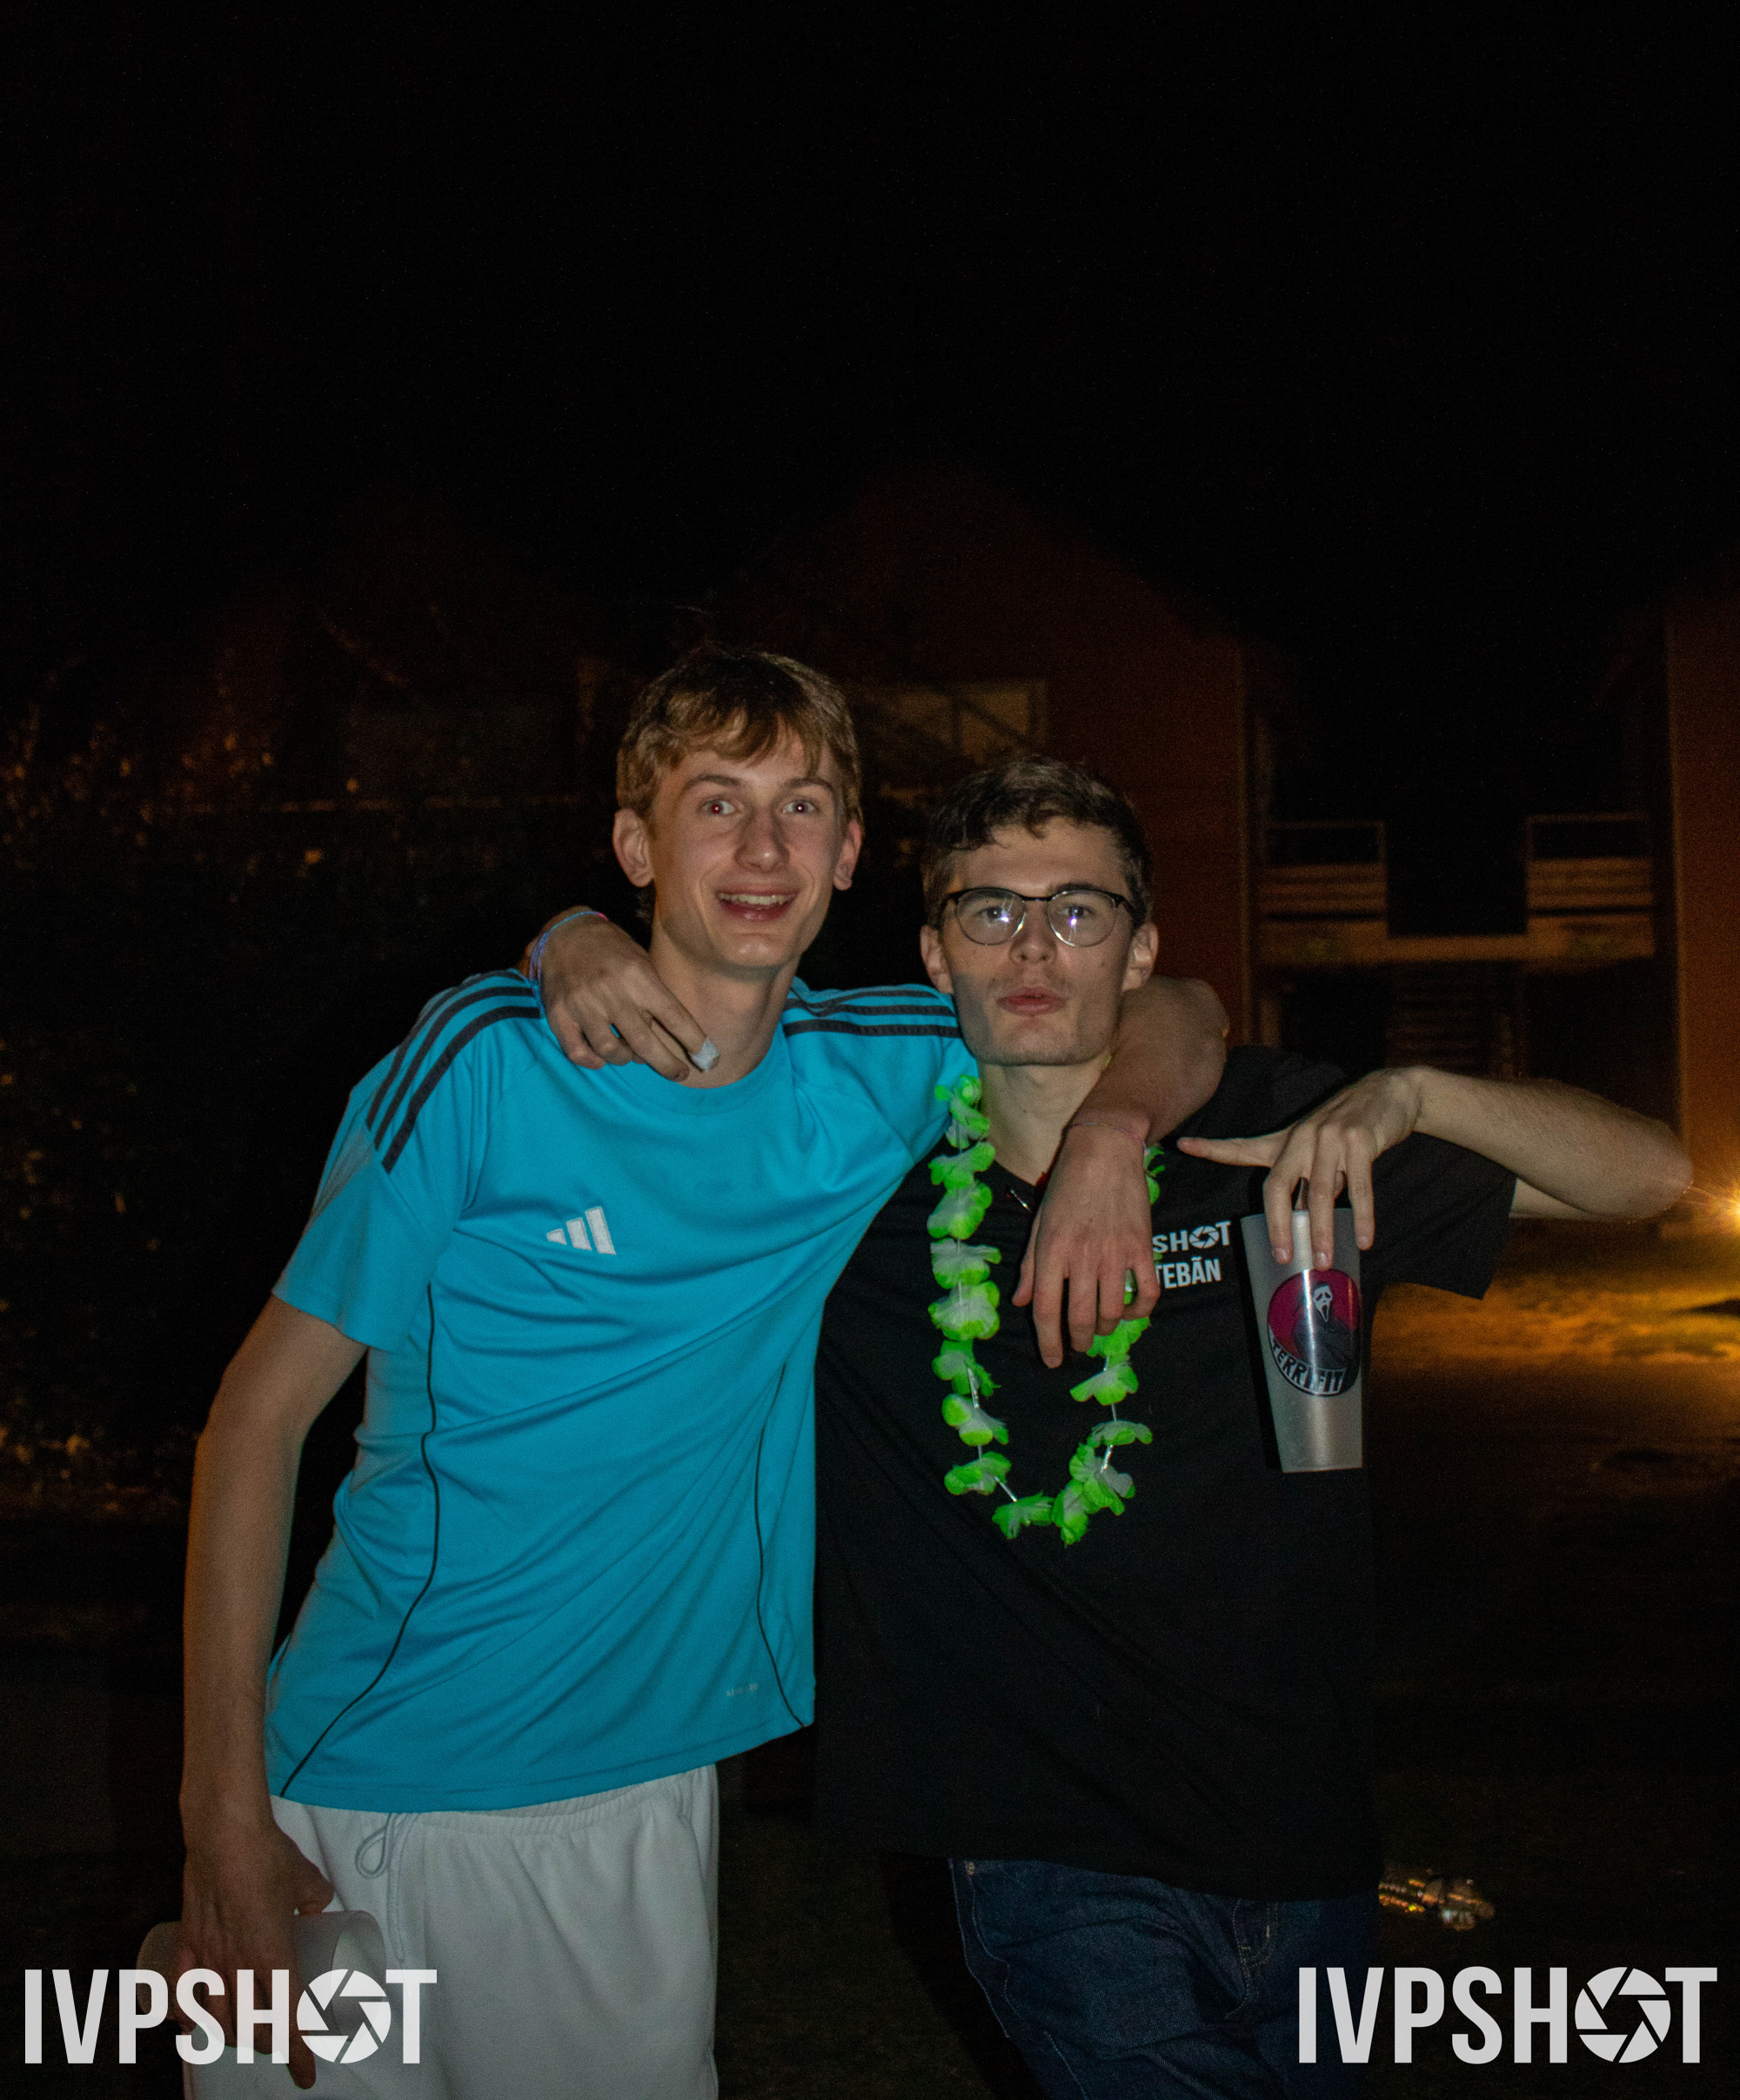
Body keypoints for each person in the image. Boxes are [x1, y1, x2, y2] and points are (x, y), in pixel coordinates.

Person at [176, 653, 1224, 2097]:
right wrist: (219, 1816)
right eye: (716, 804)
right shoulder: (485, 1060)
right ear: (635, 844)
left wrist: (1111, 1133)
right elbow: (253, 1422)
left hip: (617, 1796)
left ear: (849, 854)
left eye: (803, 807)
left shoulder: (878, 1067)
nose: (762, 849)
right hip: (343, 1780)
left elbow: (1176, 1009)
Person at [788, 755, 1688, 2099]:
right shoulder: (849, 1190)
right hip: (1053, 1853)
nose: (1033, 949)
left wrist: (1416, 1093)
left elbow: (1650, 1177)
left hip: (1304, 1830)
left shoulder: (1273, 1134)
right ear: (935, 953)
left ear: (1141, 950)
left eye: (1078, 912)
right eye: (991, 911)